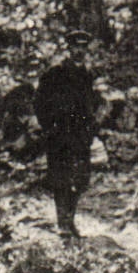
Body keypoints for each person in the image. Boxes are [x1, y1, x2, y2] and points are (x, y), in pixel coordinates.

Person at [35, 32, 100, 237]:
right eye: (76, 47)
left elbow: (91, 105)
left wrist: (90, 129)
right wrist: (49, 127)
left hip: (80, 135)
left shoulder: (87, 75)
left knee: (79, 178)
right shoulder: (55, 73)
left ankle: (70, 220)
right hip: (60, 134)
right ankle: (62, 222)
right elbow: (39, 102)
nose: (79, 51)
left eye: (83, 47)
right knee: (60, 178)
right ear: (69, 49)